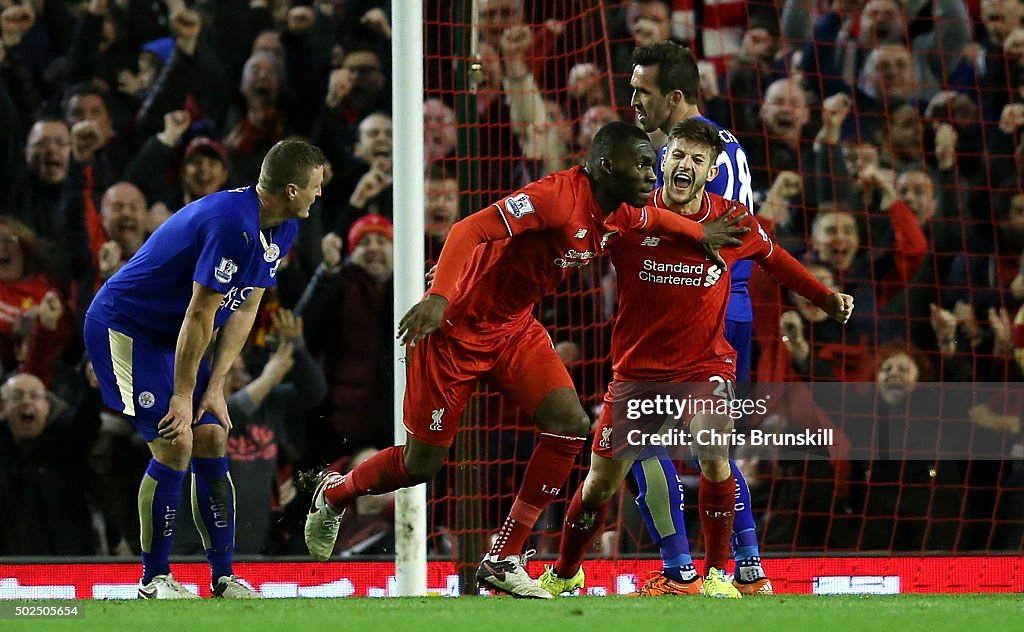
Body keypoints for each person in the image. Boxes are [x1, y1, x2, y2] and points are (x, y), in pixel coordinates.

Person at [303, 121, 747, 598]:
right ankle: (334, 493)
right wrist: (439, 296)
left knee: (571, 424)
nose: (651, 175)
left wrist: (700, 231)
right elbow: (468, 228)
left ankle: (503, 557)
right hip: (455, 330)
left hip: (514, 328)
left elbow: (657, 221)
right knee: (422, 465)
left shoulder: (618, 211)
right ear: (605, 166)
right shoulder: (555, 197)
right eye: (641, 165)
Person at [537, 119, 854, 598]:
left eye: (698, 159)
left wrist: (825, 298)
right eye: (679, 154)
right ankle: (565, 573)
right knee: (600, 484)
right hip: (637, 372)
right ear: (665, 162)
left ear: (709, 172)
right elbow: (565, 237)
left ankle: (719, 574)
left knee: (713, 448)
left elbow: (776, 259)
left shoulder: (733, 222)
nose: (686, 164)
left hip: (705, 365)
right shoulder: (628, 215)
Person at [83, 139, 326, 599]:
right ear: (291, 189)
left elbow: (246, 306)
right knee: (177, 441)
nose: (319, 193)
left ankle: (223, 578)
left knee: (213, 433)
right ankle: (154, 579)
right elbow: (200, 313)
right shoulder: (232, 225)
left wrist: (215, 387)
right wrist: (182, 392)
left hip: (172, 336)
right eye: (316, 185)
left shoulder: (282, 226)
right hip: (126, 329)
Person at [624, 40, 771, 594]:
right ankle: (749, 565)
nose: (633, 101)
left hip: (699, 312)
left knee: (634, 434)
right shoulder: (721, 145)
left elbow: (707, 242)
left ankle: (680, 568)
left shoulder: (687, 155)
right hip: (729, 309)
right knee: (712, 449)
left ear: (675, 97)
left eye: (643, 92)